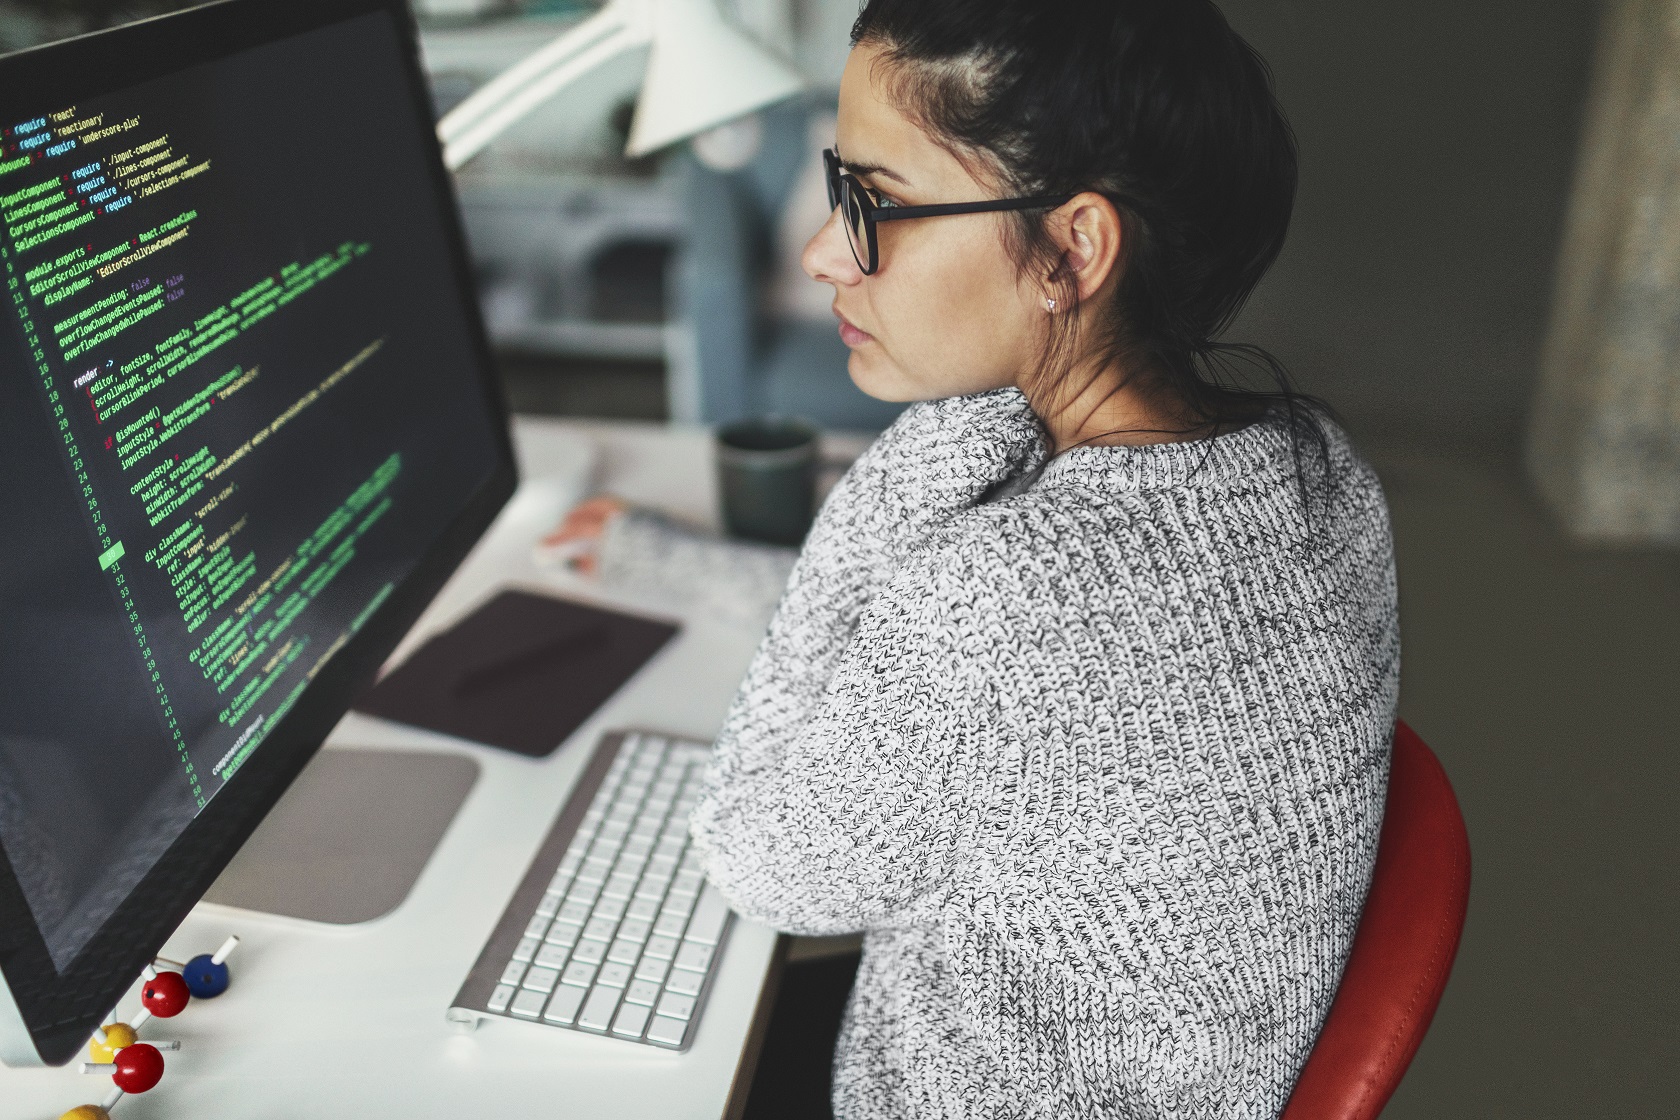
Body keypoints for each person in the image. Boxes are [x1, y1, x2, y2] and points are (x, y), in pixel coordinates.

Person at [548, 0, 1400, 1115]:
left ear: (1074, 246)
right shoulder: (1314, 465)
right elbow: (934, 655)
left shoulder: (1011, 580)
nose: (819, 251)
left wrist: (922, 443)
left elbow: (757, 859)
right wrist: (661, 558)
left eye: (877, 202)